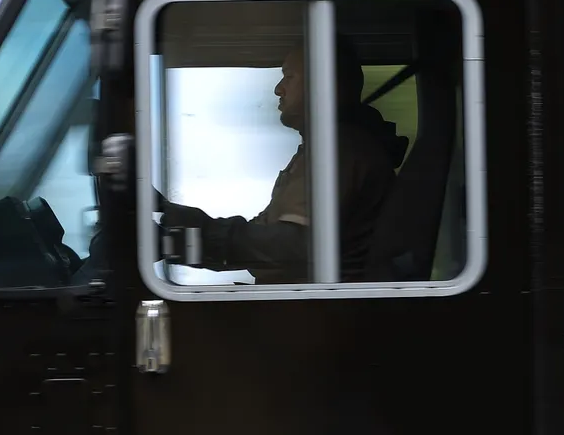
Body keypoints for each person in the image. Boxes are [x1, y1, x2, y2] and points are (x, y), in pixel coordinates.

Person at [158, 38, 408, 284]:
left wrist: (180, 241)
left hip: (316, 313)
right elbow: (263, 238)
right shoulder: (326, 147)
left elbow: (291, 246)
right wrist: (177, 220)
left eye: (288, 77)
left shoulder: (341, 149)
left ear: (322, 84)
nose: (278, 89)